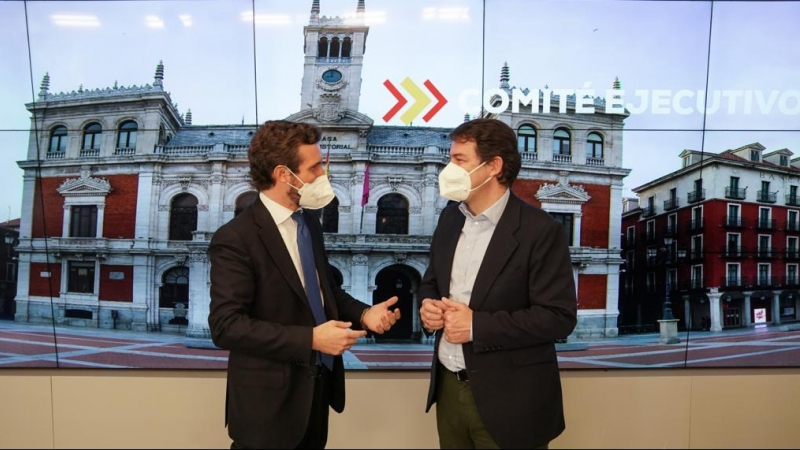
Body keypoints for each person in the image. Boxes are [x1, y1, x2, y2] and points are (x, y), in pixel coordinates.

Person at [208, 120, 401, 449]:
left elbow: (324, 291)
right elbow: (226, 326)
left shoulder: (309, 220)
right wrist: (312, 338)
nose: (322, 176)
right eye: (314, 168)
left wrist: (365, 313)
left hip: (315, 393)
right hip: (267, 407)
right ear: (284, 174)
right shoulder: (235, 238)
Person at [419, 118, 578, 449]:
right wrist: (428, 306)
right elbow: (432, 281)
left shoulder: (541, 230)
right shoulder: (450, 217)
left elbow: (558, 317)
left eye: (459, 160)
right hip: (448, 389)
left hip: (512, 400)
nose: (448, 168)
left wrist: (476, 326)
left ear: (493, 166)